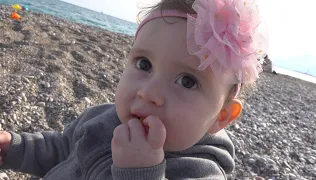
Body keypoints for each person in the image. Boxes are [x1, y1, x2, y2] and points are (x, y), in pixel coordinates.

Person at [0, 0, 268, 179]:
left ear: (221, 116)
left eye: (187, 81)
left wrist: (141, 172)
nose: (148, 92)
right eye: (144, 63)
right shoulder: (101, 119)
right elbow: (61, 149)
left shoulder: (200, 170)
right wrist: (15, 147)